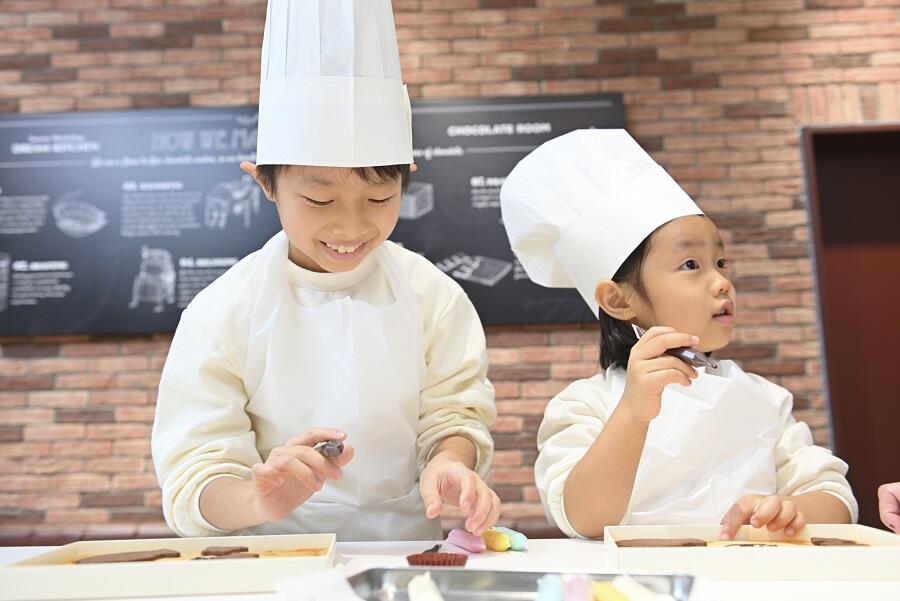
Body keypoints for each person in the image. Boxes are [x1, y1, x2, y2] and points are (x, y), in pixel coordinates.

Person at [152, 0, 499, 541]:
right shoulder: (223, 310)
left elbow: (454, 416)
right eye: (318, 200)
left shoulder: (433, 295)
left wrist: (450, 461)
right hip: (271, 562)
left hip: (407, 553)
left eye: (380, 197)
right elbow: (195, 473)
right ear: (264, 182)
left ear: (407, 179)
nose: (351, 227)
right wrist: (256, 497)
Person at [500, 129, 856, 540]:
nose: (721, 282)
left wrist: (790, 513)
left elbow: (835, 497)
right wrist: (633, 411)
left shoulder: (764, 399)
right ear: (617, 300)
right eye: (691, 264)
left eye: (720, 262)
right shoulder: (586, 405)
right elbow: (582, 517)